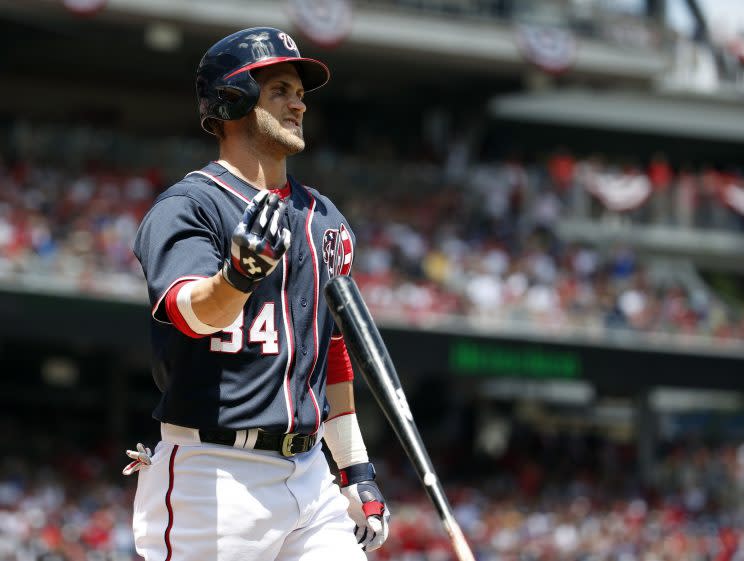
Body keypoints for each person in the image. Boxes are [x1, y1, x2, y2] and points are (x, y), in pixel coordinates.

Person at [126, 27, 390, 561]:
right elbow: (190, 314)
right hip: (215, 474)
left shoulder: (323, 218)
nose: (299, 104)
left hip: (311, 474)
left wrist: (355, 468)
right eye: (281, 90)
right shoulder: (190, 205)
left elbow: (331, 353)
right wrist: (237, 278)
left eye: (300, 92)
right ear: (233, 99)